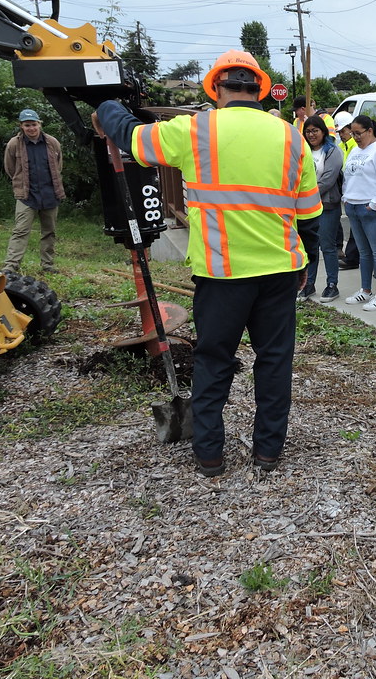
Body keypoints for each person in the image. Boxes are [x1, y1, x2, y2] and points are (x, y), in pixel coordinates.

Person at [92, 49, 321, 477]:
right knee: (274, 363)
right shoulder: (291, 136)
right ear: (259, 89)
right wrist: (305, 263)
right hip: (280, 271)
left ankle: (211, 456)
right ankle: (268, 452)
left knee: (215, 361)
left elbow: (131, 137)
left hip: (221, 275)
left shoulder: (195, 129)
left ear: (216, 88)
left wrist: (105, 105)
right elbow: (309, 213)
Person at [342, 115, 376, 311]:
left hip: (372, 209)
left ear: (370, 131)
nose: (355, 137)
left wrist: (374, 204)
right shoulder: (355, 151)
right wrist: (346, 198)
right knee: (364, 252)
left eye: (359, 133)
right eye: (353, 134)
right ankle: (365, 290)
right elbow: (348, 176)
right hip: (354, 206)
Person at [1, 108, 65, 274]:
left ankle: (48, 265)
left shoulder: (52, 142)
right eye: (27, 125)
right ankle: (10, 266)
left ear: (39, 124)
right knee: (20, 230)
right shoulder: (14, 144)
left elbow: (58, 166)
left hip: (50, 193)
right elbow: (10, 169)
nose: (31, 128)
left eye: (34, 124)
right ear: (21, 126)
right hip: (26, 195)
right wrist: (20, 183)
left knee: (49, 232)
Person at [299, 115, 343, 303]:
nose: (311, 134)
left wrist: (305, 194)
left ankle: (332, 285)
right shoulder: (303, 151)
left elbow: (328, 180)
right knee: (311, 247)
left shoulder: (332, 151)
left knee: (327, 246)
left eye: (315, 130)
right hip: (307, 207)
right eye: (308, 131)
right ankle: (308, 284)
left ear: (323, 131)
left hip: (327, 206)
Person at [332, 111, 360, 270]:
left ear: (350, 128)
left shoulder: (356, 146)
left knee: (357, 227)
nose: (341, 135)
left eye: (343, 131)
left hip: (356, 191)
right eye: (339, 132)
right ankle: (352, 256)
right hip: (346, 191)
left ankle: (353, 257)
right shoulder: (341, 146)